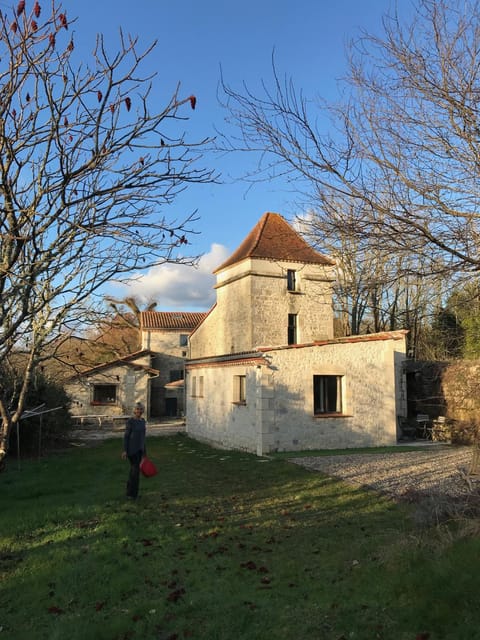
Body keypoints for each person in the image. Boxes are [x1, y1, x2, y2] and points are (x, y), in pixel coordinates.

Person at [122, 403, 147, 499]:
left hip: (140, 450)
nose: (139, 411)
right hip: (132, 450)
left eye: (141, 409)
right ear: (134, 410)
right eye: (137, 409)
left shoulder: (143, 421)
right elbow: (126, 436)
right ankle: (133, 494)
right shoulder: (130, 422)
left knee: (134, 472)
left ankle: (130, 493)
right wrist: (125, 450)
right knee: (135, 472)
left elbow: (143, 437)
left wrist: (145, 452)